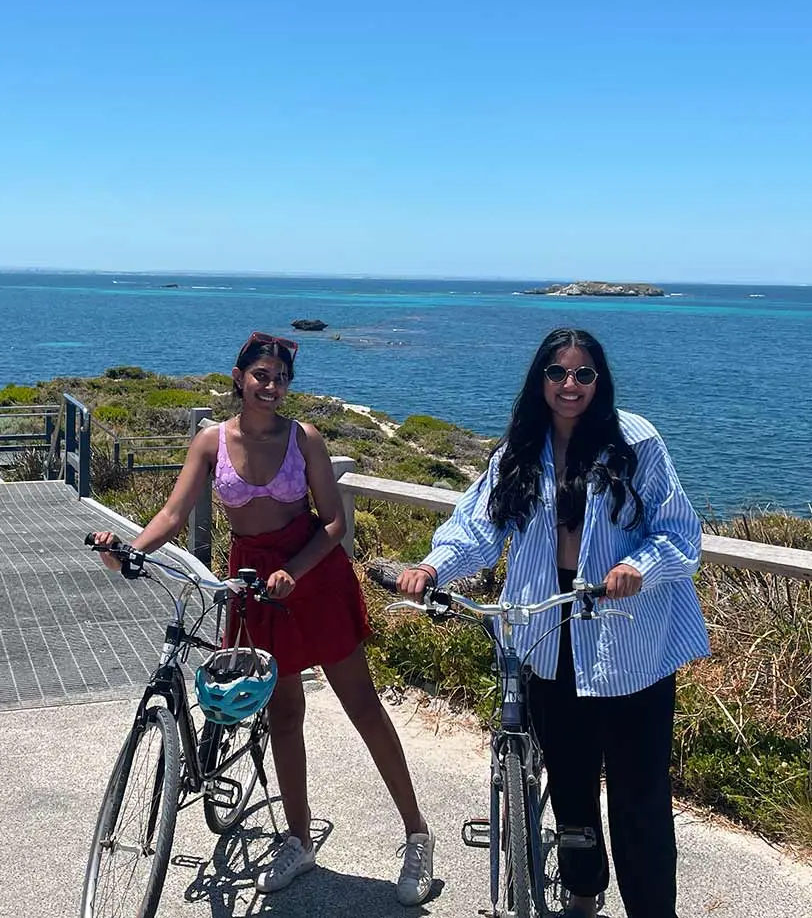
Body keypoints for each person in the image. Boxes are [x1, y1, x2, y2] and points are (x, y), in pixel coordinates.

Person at [94, 332, 436, 903]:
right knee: (283, 716)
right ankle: (298, 840)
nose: (271, 387)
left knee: (363, 707)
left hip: (312, 576)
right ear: (239, 377)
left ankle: (417, 834)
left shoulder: (306, 439)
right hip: (253, 582)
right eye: (262, 376)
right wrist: (133, 548)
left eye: (280, 378)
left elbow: (333, 524)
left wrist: (295, 572)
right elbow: (174, 513)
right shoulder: (210, 442)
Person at [398, 328, 709, 918]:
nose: (570, 385)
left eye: (583, 374)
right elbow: (478, 529)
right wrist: (431, 567)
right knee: (569, 784)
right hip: (545, 632)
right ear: (540, 378)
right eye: (558, 373)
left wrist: (635, 565)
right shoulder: (519, 449)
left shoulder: (634, 440)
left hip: (628, 636)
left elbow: (679, 532)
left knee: (639, 797)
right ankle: (583, 893)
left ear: (600, 380)